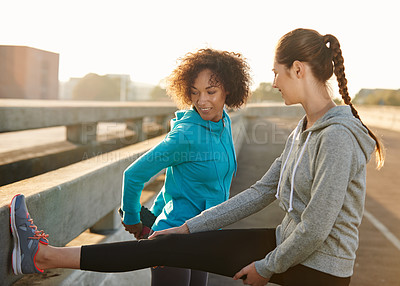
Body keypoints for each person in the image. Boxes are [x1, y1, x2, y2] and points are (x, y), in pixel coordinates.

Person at [9, 28, 384, 286]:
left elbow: (316, 229)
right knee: (164, 244)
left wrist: (267, 268)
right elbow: (260, 191)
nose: (272, 82)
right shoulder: (303, 130)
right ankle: (42, 254)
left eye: (277, 73)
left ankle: (43, 254)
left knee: (164, 248)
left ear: (298, 69)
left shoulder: (336, 138)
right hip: (289, 244)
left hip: (319, 269)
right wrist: (186, 229)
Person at [9, 48, 251, 286]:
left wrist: (155, 212)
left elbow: (176, 183)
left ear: (228, 89)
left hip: (204, 234)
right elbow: (134, 175)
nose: (202, 101)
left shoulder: (224, 123)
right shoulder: (185, 135)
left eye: (211, 92)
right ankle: (36, 254)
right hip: (172, 237)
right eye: (195, 92)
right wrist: (134, 220)